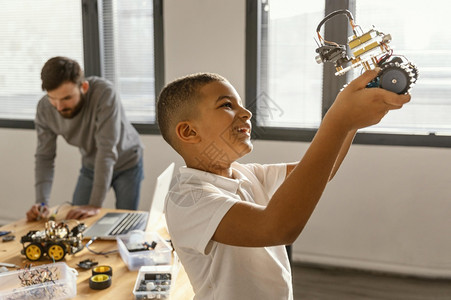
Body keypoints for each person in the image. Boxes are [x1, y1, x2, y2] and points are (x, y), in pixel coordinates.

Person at [157, 70, 410, 299]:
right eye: (226, 105)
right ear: (189, 132)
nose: (246, 113)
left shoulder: (247, 174)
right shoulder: (188, 199)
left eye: (241, 105)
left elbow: (324, 169)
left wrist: (351, 124)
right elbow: (277, 228)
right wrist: (338, 120)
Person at [26, 56, 144, 221]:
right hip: (91, 165)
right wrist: (42, 204)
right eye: (53, 98)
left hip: (127, 162)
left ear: (84, 87)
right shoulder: (45, 109)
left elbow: (106, 150)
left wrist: (95, 205)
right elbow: (44, 157)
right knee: (74, 220)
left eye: (67, 98)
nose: (59, 107)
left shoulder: (104, 93)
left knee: (125, 223)